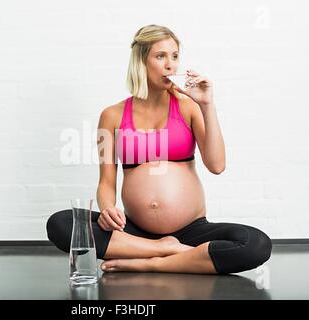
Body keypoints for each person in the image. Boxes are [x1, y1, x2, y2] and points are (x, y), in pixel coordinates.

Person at [47, 24, 272, 274]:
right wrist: (108, 207)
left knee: (255, 244)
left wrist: (207, 105)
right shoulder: (111, 116)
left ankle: (149, 262)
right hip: (133, 231)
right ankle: (167, 250)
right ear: (141, 61)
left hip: (190, 231)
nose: (170, 65)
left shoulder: (188, 107)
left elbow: (217, 165)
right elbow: (107, 182)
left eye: (174, 56)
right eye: (160, 56)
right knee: (61, 223)